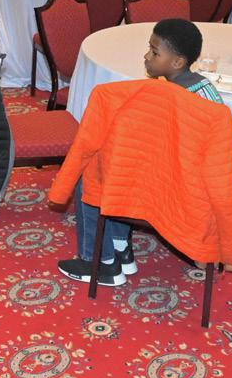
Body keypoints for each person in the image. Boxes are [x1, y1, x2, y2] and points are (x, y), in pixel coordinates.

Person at [57, 18, 222, 285]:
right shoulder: (208, 90)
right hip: (200, 189)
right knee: (116, 168)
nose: (146, 57)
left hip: (169, 192)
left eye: (154, 53)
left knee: (92, 174)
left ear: (177, 62)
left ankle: (100, 263)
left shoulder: (162, 98)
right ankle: (121, 247)